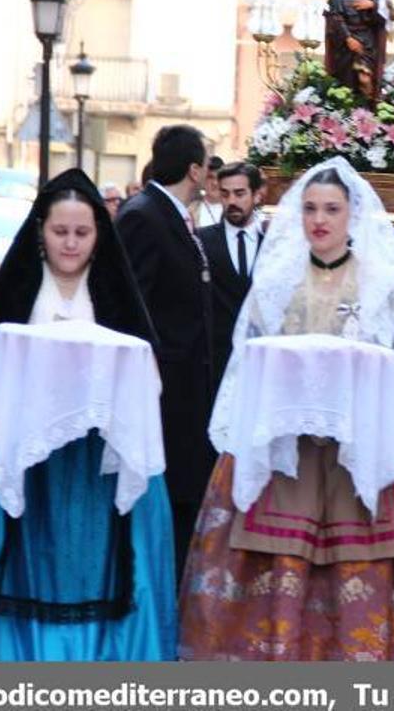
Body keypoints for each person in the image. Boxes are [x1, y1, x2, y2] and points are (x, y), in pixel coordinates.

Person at [179, 157, 394, 660]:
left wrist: (368, 391)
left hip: (356, 450)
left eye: (332, 210)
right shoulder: (275, 286)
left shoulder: (382, 287)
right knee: (273, 558)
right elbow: (246, 353)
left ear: (352, 216)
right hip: (284, 451)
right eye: (311, 208)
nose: (320, 219)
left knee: (360, 560)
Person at [0, 169, 175, 660]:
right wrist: (26, 374)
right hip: (16, 446)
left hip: (94, 459)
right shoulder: (15, 291)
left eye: (83, 232)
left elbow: (150, 381)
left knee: (91, 567)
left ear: (100, 234)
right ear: (40, 231)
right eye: (61, 232)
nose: (71, 244)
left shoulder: (116, 297)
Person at [116, 125, 216, 581]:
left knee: (184, 494)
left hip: (184, 386)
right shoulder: (145, 215)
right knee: (169, 493)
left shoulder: (170, 214)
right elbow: (130, 302)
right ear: (194, 169)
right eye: (208, 164)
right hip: (164, 388)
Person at [197, 161, 263, 403]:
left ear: (257, 195)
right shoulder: (201, 240)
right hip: (215, 364)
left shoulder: (272, 244)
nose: (231, 201)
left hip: (260, 363)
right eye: (225, 194)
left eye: (240, 193)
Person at [324, 0, 394, 104]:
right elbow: (335, 19)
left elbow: (388, 17)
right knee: (347, 81)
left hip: (368, 42)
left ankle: (367, 108)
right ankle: (348, 110)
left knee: (365, 79)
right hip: (345, 44)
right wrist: (348, 38)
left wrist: (373, 5)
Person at [191, 155, 225, 228]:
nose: (215, 183)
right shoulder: (190, 209)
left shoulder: (231, 209)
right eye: (210, 177)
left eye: (218, 178)